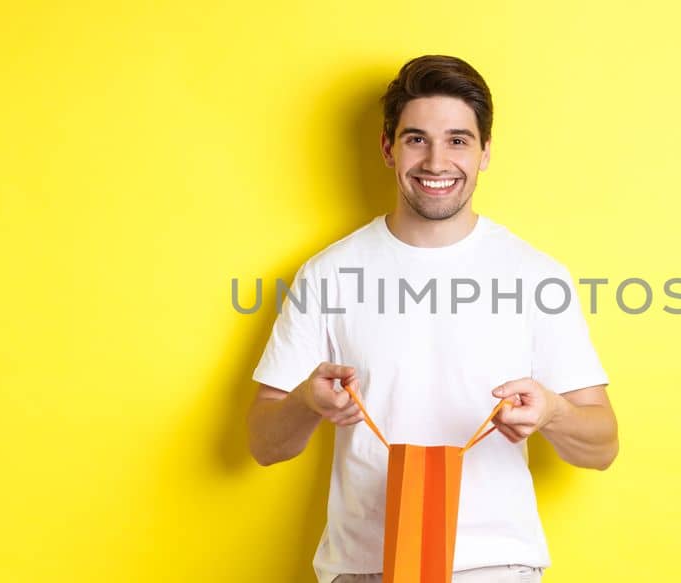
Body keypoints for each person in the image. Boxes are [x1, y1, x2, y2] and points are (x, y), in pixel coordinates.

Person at [246, 54, 619, 583]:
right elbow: (263, 444)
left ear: (485, 151)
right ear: (387, 148)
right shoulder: (328, 272)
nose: (437, 162)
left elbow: (602, 447)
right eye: (417, 138)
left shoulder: (537, 275)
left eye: (458, 140)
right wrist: (307, 400)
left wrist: (553, 412)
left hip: (494, 567)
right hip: (363, 569)